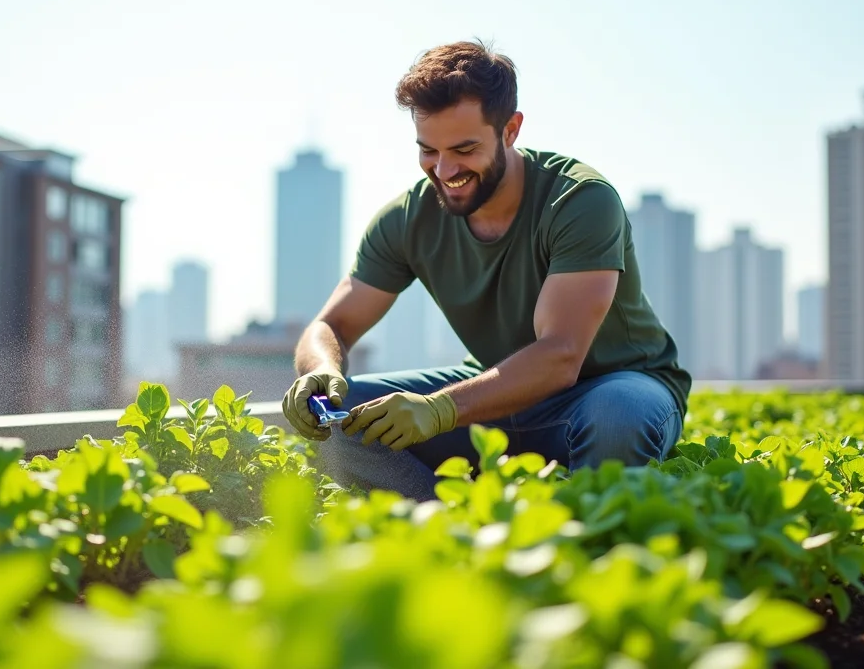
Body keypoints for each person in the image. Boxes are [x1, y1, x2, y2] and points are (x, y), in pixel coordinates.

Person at [280, 39, 691, 501]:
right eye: (428, 151)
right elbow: (331, 324)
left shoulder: (580, 200)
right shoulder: (406, 219)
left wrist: (437, 410)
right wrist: (319, 370)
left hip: (604, 394)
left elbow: (560, 356)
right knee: (340, 414)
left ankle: (582, 538)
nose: (444, 169)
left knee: (620, 413)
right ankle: (450, 525)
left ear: (511, 129)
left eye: (465, 149)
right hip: (494, 401)